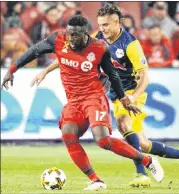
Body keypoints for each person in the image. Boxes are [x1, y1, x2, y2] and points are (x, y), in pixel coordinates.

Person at [33, 5, 179, 188]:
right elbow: (71, 52)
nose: (103, 28)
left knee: (122, 122)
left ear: (118, 23)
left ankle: (141, 174)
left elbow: (145, 77)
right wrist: (46, 71)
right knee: (143, 144)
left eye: (106, 25)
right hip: (111, 93)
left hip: (130, 92)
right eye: (101, 24)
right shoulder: (97, 37)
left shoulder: (130, 44)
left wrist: (133, 97)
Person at [1, 15, 164, 191]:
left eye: (75, 36)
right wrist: (12, 70)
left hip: (94, 97)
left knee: (103, 140)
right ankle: (96, 180)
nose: (70, 39)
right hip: (74, 100)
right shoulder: (58, 39)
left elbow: (113, 75)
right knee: (68, 135)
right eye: (69, 35)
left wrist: (123, 98)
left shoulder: (99, 48)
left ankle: (146, 160)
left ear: (85, 34)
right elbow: (34, 51)